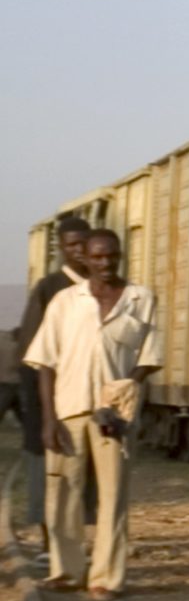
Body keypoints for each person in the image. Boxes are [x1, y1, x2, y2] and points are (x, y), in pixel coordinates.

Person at [25, 229, 161, 598]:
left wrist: (127, 386)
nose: (105, 263)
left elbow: (149, 356)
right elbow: (45, 363)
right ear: (84, 258)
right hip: (69, 409)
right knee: (64, 492)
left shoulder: (140, 298)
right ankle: (66, 570)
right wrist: (49, 420)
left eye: (112, 256)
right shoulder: (65, 302)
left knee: (113, 495)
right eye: (98, 257)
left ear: (120, 256)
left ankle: (106, 577)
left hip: (114, 416)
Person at [16, 216, 90, 537]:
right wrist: (40, 414)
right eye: (72, 245)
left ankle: (76, 546)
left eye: (83, 244)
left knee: (83, 481)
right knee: (50, 477)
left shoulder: (103, 286)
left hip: (89, 400)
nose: (79, 251)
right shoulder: (49, 288)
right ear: (61, 248)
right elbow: (32, 354)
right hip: (52, 400)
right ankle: (49, 544)